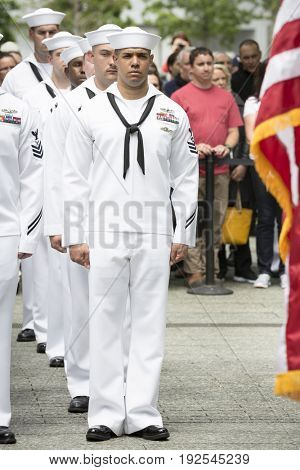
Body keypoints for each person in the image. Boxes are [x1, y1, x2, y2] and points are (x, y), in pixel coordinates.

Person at [62, 26, 199, 441]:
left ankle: (142, 412)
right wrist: (76, 234)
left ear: (151, 60)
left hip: (154, 230)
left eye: (142, 56)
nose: (135, 63)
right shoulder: (90, 111)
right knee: (103, 320)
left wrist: (183, 233)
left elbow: (187, 176)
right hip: (103, 229)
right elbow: (73, 177)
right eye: (127, 57)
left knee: (148, 321)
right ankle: (103, 413)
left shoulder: (171, 112)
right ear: (114, 61)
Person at [44, 24, 121, 411]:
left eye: (117, 53)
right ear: (89, 59)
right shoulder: (69, 104)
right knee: (81, 305)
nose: (113, 61)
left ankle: (118, 380)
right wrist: (59, 225)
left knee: (122, 307)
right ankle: (82, 384)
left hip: (124, 219)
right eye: (105, 54)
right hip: (82, 218)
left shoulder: (137, 101)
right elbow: (56, 170)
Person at [2, 7, 65, 346]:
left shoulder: (70, 68)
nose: (48, 37)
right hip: (28, 169)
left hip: (61, 171)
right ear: (31, 36)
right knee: (33, 252)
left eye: (53, 30)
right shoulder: (17, 77)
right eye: (42, 32)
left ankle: (53, 324)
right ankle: (34, 319)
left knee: (55, 251)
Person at [21, 33, 81, 357]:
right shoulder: (33, 96)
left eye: (68, 55)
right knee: (43, 265)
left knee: (67, 270)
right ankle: (45, 330)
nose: (62, 59)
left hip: (69, 186)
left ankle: (70, 339)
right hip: (40, 181)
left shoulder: (86, 98)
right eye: (57, 54)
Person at [0, 33, 43, 445]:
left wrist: (27, 233)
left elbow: (33, 176)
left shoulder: (15, 111)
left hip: (4, 232)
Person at [172, 47, 242, 287]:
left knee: (215, 222)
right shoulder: (180, 96)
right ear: (191, 67)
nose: (206, 68)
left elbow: (234, 130)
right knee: (192, 220)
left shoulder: (225, 97)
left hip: (220, 170)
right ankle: (194, 271)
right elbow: (173, 133)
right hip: (190, 170)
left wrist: (227, 146)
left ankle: (212, 269)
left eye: (209, 63)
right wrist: (194, 145)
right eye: (200, 63)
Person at [212, 64, 256, 283]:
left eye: (223, 78)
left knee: (241, 214)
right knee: (218, 217)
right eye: (215, 79)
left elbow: (246, 134)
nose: (220, 82)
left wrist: (243, 164)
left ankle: (243, 266)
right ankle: (218, 267)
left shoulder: (237, 101)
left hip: (240, 167)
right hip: (217, 168)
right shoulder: (211, 102)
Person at [244, 63, 286, 289]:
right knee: (266, 217)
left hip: (285, 166)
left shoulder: (291, 100)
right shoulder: (253, 103)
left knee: (285, 218)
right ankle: (264, 269)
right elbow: (252, 136)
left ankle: (285, 268)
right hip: (262, 165)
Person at [2, 8, 65, 99]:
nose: (47, 38)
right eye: (41, 32)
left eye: (52, 32)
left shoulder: (72, 69)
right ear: (31, 34)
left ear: (59, 33)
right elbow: (5, 110)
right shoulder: (15, 76)